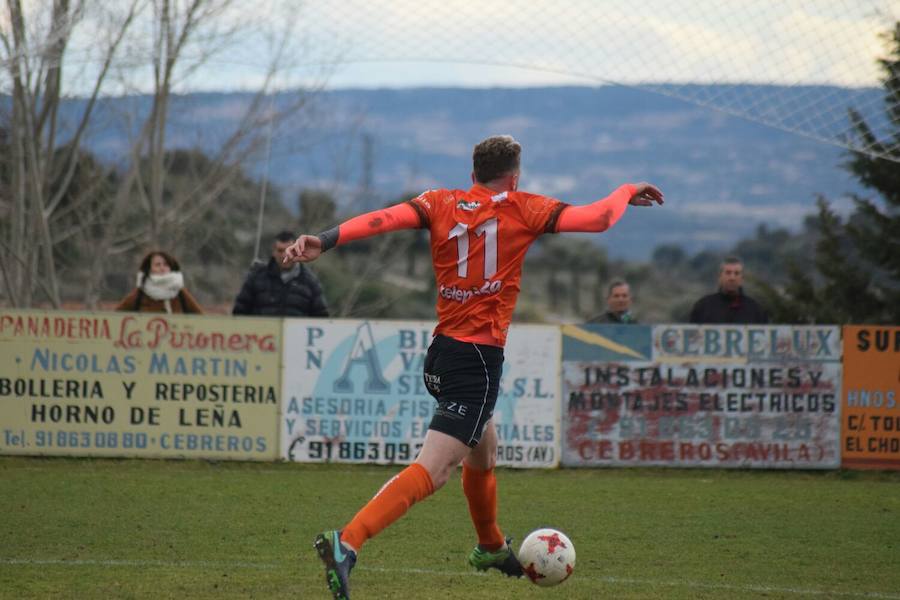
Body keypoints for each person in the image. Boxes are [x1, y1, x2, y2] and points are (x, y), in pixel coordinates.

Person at [283, 135, 664, 600]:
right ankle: (348, 542)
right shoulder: (525, 207)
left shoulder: (440, 201)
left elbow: (383, 220)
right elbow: (601, 218)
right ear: (515, 175)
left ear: (473, 173)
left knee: (483, 447)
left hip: (441, 353)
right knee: (436, 470)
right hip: (477, 362)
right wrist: (626, 188)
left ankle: (488, 544)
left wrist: (324, 240)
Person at [232, 231, 329, 317]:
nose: (284, 255)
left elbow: (321, 318)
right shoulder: (256, 277)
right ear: (273, 252)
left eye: (290, 250)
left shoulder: (310, 282)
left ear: (298, 250)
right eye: (280, 250)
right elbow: (239, 313)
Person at [115, 250, 203, 314]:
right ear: (150, 269)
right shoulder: (140, 293)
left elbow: (199, 317)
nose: (162, 268)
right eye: (157, 265)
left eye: (166, 264)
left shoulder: (180, 292)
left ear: (171, 268)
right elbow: (116, 316)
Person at [689, 256, 768, 324]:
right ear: (719, 277)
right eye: (728, 273)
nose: (732, 278)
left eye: (736, 273)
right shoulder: (703, 307)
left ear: (742, 279)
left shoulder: (756, 309)